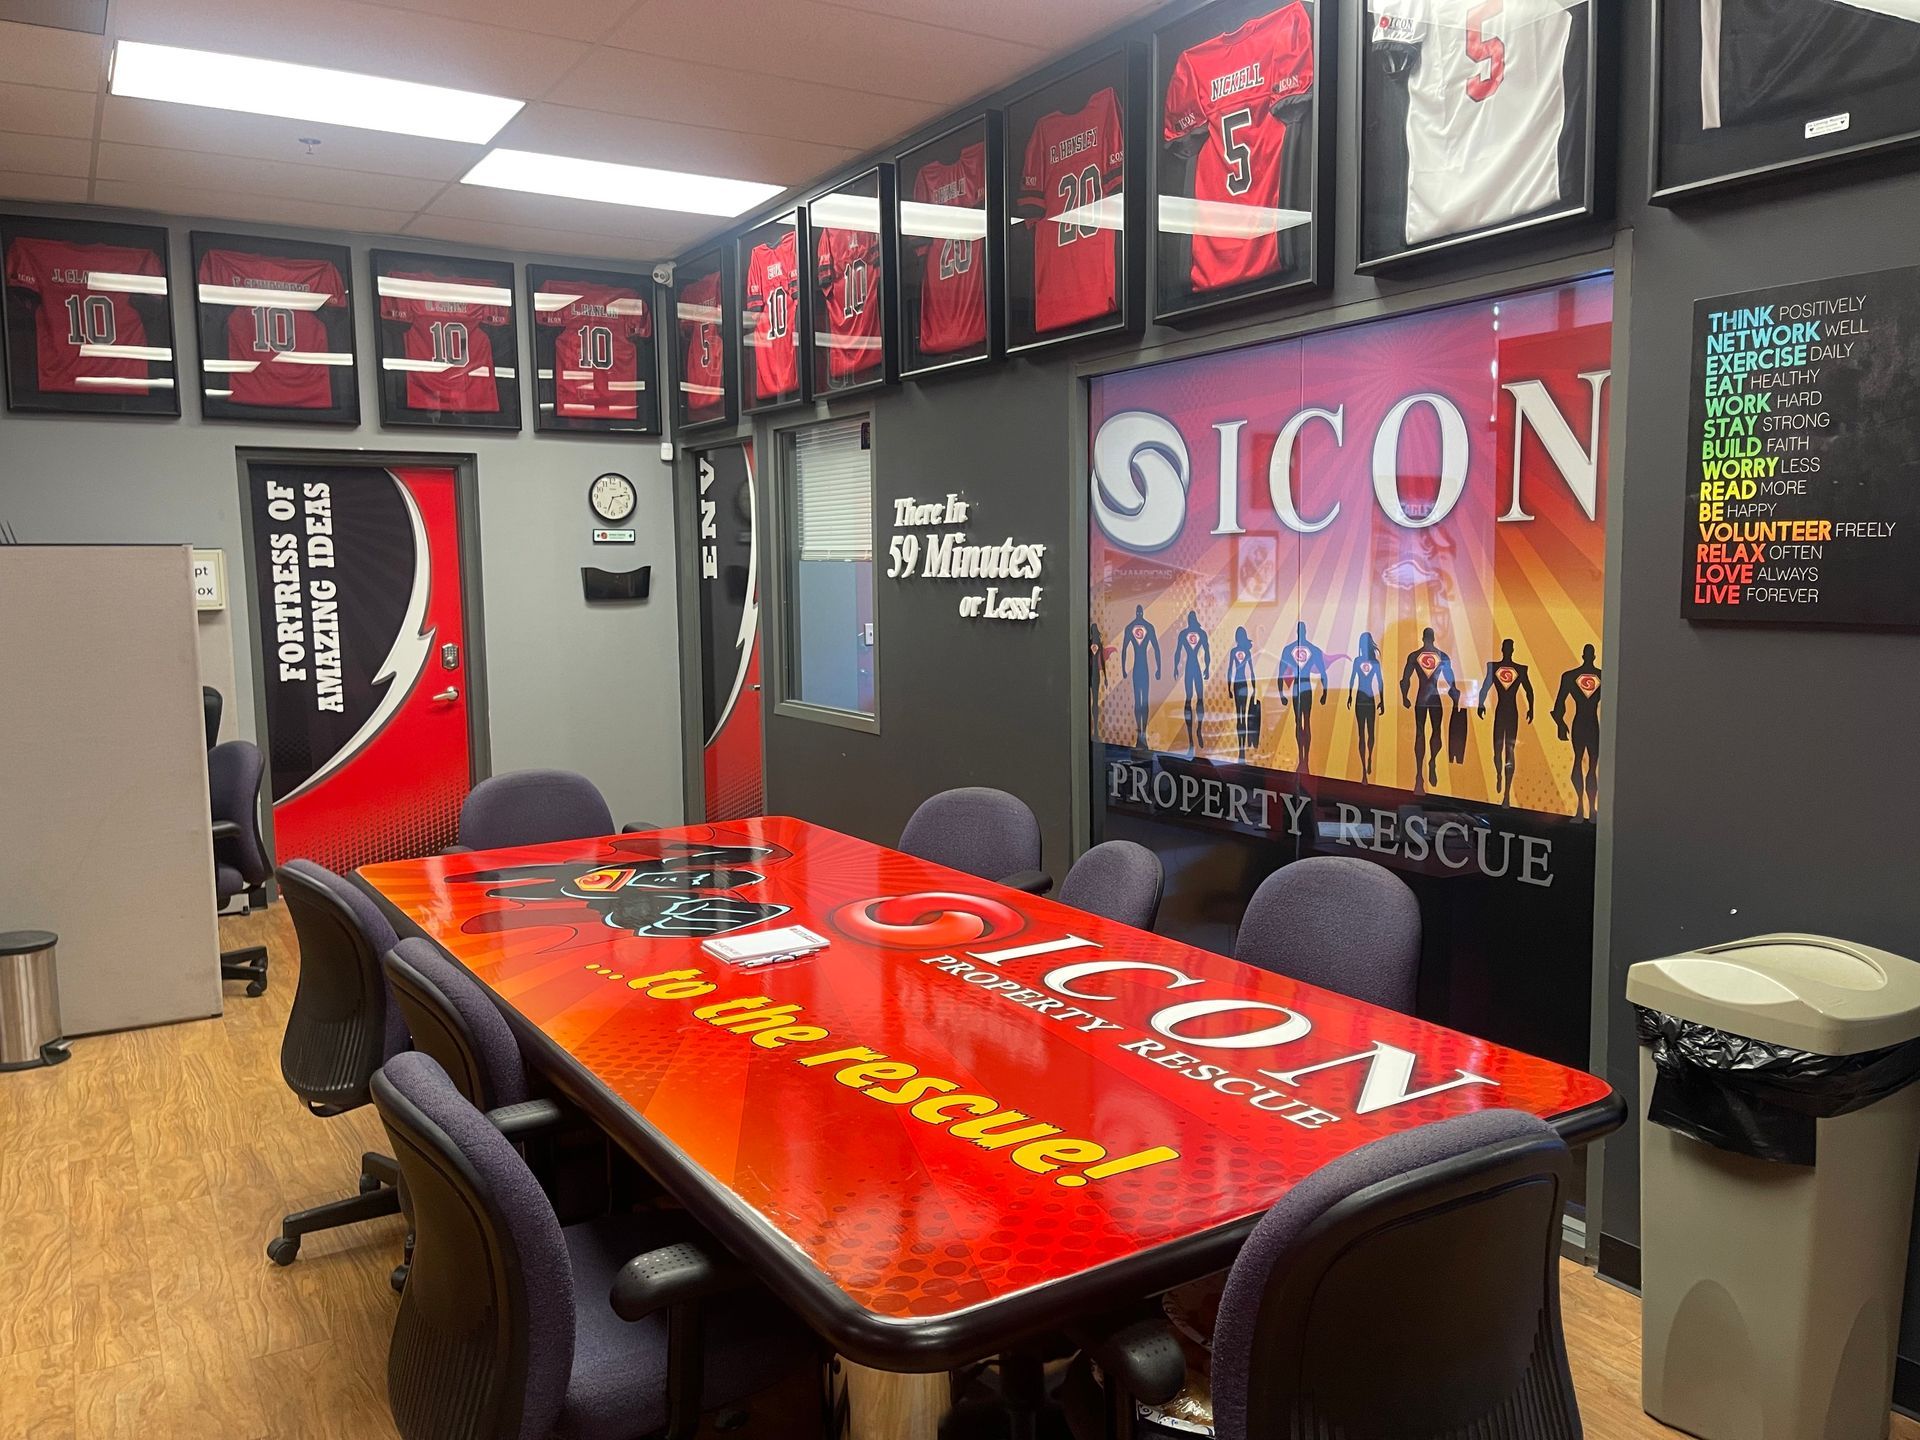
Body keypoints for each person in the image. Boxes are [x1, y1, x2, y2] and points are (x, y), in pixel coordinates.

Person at [1399, 626, 1459, 792]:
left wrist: (1404, 697)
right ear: (1433, 638)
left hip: (1421, 698)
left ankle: (1420, 774)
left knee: (1421, 733)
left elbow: (1405, 680)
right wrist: (1454, 694)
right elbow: (1450, 680)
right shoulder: (1442, 656)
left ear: (1423, 638)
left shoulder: (1414, 656)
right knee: (1435, 731)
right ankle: (1429, 764)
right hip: (1434, 698)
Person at [1477, 638, 1535, 806]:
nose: (1508, 650)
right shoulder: (1494, 667)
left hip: (1511, 713)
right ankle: (1499, 774)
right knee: (1497, 751)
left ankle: (1507, 793)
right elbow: (1485, 687)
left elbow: (1529, 690)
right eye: (1507, 647)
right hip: (1501, 712)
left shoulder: (1520, 669)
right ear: (1504, 649)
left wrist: (1531, 708)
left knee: (1509, 751)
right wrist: (1480, 703)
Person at [1553, 644, 1603, 821]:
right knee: (1583, 763)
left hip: (1584, 723)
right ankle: (1582, 808)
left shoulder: (1571, 676)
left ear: (1583, 656)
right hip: (1588, 723)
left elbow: (1558, 706)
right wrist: (1560, 724)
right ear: (1593, 656)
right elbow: (1559, 705)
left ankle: (1588, 809)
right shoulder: (1601, 676)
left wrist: (1560, 722)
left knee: (1588, 764)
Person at [1276, 621, 1328, 772]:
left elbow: (1281, 674)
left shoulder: (1289, 649)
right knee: (1304, 722)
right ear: (1304, 632)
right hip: (1304, 687)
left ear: (1298, 632)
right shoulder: (1312, 649)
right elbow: (1323, 674)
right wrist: (1324, 693)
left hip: (1299, 688)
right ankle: (1303, 759)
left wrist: (1281, 693)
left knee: (1301, 722)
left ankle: (1304, 759)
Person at [1120, 605, 1161, 751]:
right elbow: (1124, 649)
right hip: (1141, 668)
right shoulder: (1146, 627)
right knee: (1140, 702)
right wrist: (1123, 669)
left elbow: (1156, 648)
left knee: (1142, 701)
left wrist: (1159, 669)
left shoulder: (1133, 627)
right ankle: (1140, 735)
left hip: (1140, 668)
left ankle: (1142, 734)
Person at [1347, 631, 1385, 784]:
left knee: (1366, 734)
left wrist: (1350, 695)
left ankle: (1368, 761)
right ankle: (1364, 766)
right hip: (1367, 699)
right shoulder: (1372, 663)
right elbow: (1378, 682)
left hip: (1362, 699)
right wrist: (1382, 701)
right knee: (1366, 733)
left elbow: (1379, 682)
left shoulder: (1362, 661)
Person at [1173, 611, 1211, 755]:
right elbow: (1178, 652)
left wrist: (1207, 667)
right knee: (1189, 700)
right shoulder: (1185, 634)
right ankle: (1190, 738)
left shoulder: (1199, 634)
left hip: (1195, 668)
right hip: (1190, 669)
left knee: (1199, 699)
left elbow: (1207, 652)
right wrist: (1175, 667)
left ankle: (1198, 729)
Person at [1226, 626, 1257, 762]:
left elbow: (1230, 670)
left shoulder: (1234, 651)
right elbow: (1251, 672)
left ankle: (1241, 750)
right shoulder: (1246, 652)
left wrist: (1229, 688)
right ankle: (1242, 750)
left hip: (1238, 684)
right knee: (1242, 716)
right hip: (1243, 684)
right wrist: (1254, 688)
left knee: (1240, 716)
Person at [1088, 621, 1107, 703]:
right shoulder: (1099, 644)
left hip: (1090, 671)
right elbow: (1102, 661)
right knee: (1095, 699)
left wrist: (1105, 677)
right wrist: (1105, 677)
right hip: (1096, 673)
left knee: (1092, 698)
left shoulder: (1089, 643)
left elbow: (1102, 660)